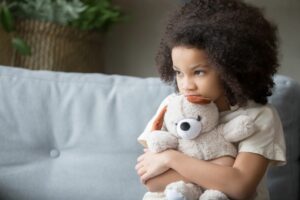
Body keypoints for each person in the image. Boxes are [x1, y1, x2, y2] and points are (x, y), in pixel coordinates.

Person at [135, 0, 286, 199]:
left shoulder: (258, 117)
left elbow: (240, 186)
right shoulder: (173, 107)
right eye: (179, 73)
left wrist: (170, 158)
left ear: (231, 67)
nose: (187, 85)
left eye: (198, 72)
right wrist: (222, 170)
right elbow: (152, 181)